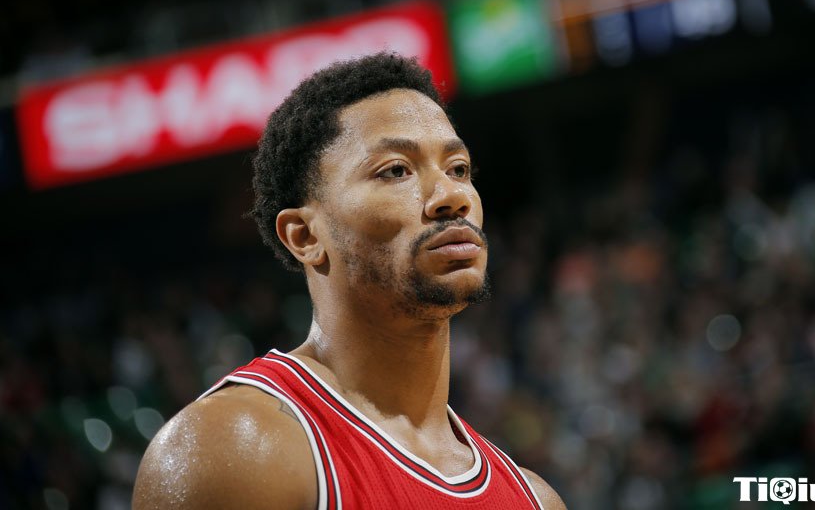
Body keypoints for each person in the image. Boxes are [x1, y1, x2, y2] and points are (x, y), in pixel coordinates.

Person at [133, 52, 566, 509]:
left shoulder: (535, 498)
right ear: (305, 236)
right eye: (396, 170)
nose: (452, 196)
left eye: (457, 168)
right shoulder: (238, 450)